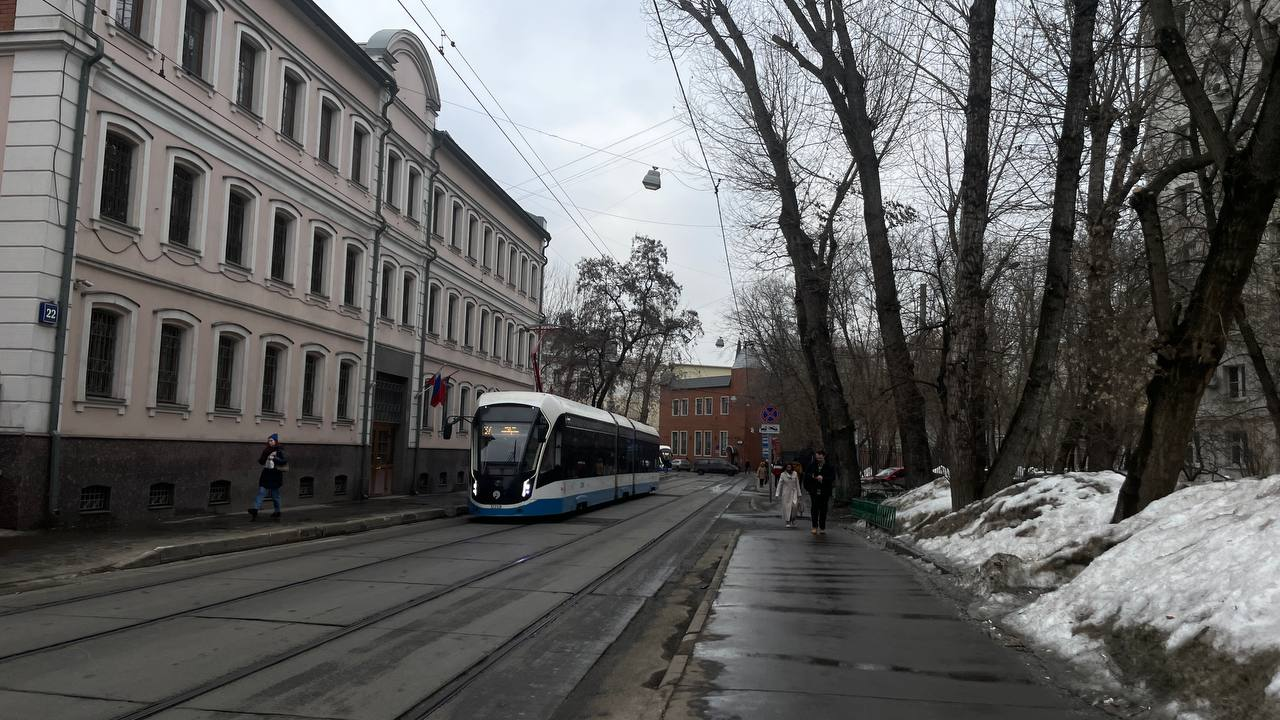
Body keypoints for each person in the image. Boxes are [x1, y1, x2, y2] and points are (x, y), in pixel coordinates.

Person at [249, 433, 287, 520]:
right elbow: (262, 462)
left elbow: (284, 461)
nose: (270, 442)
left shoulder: (279, 450)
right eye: (269, 440)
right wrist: (263, 457)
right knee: (261, 492)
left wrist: (274, 458)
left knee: (275, 495)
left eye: (272, 440)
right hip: (266, 474)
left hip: (275, 475)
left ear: (275, 441)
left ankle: (277, 511)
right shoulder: (266, 450)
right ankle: (255, 509)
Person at [804, 449, 838, 535]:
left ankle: (822, 527)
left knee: (823, 509)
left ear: (824, 457)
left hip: (825, 491)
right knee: (814, 509)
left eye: (820, 458)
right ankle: (814, 526)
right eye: (817, 458)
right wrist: (813, 478)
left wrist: (823, 478)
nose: (818, 460)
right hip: (814, 490)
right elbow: (807, 476)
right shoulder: (812, 465)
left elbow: (832, 477)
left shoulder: (829, 466)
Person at [775, 462, 802, 528]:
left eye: (790, 467)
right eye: (787, 467)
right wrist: (777, 493)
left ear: (792, 467)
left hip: (794, 493)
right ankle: (788, 522)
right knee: (787, 508)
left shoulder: (795, 473)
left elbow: (797, 484)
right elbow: (779, 484)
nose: (789, 468)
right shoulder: (783, 474)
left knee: (794, 507)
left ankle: (793, 519)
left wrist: (799, 493)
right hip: (786, 494)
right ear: (785, 468)